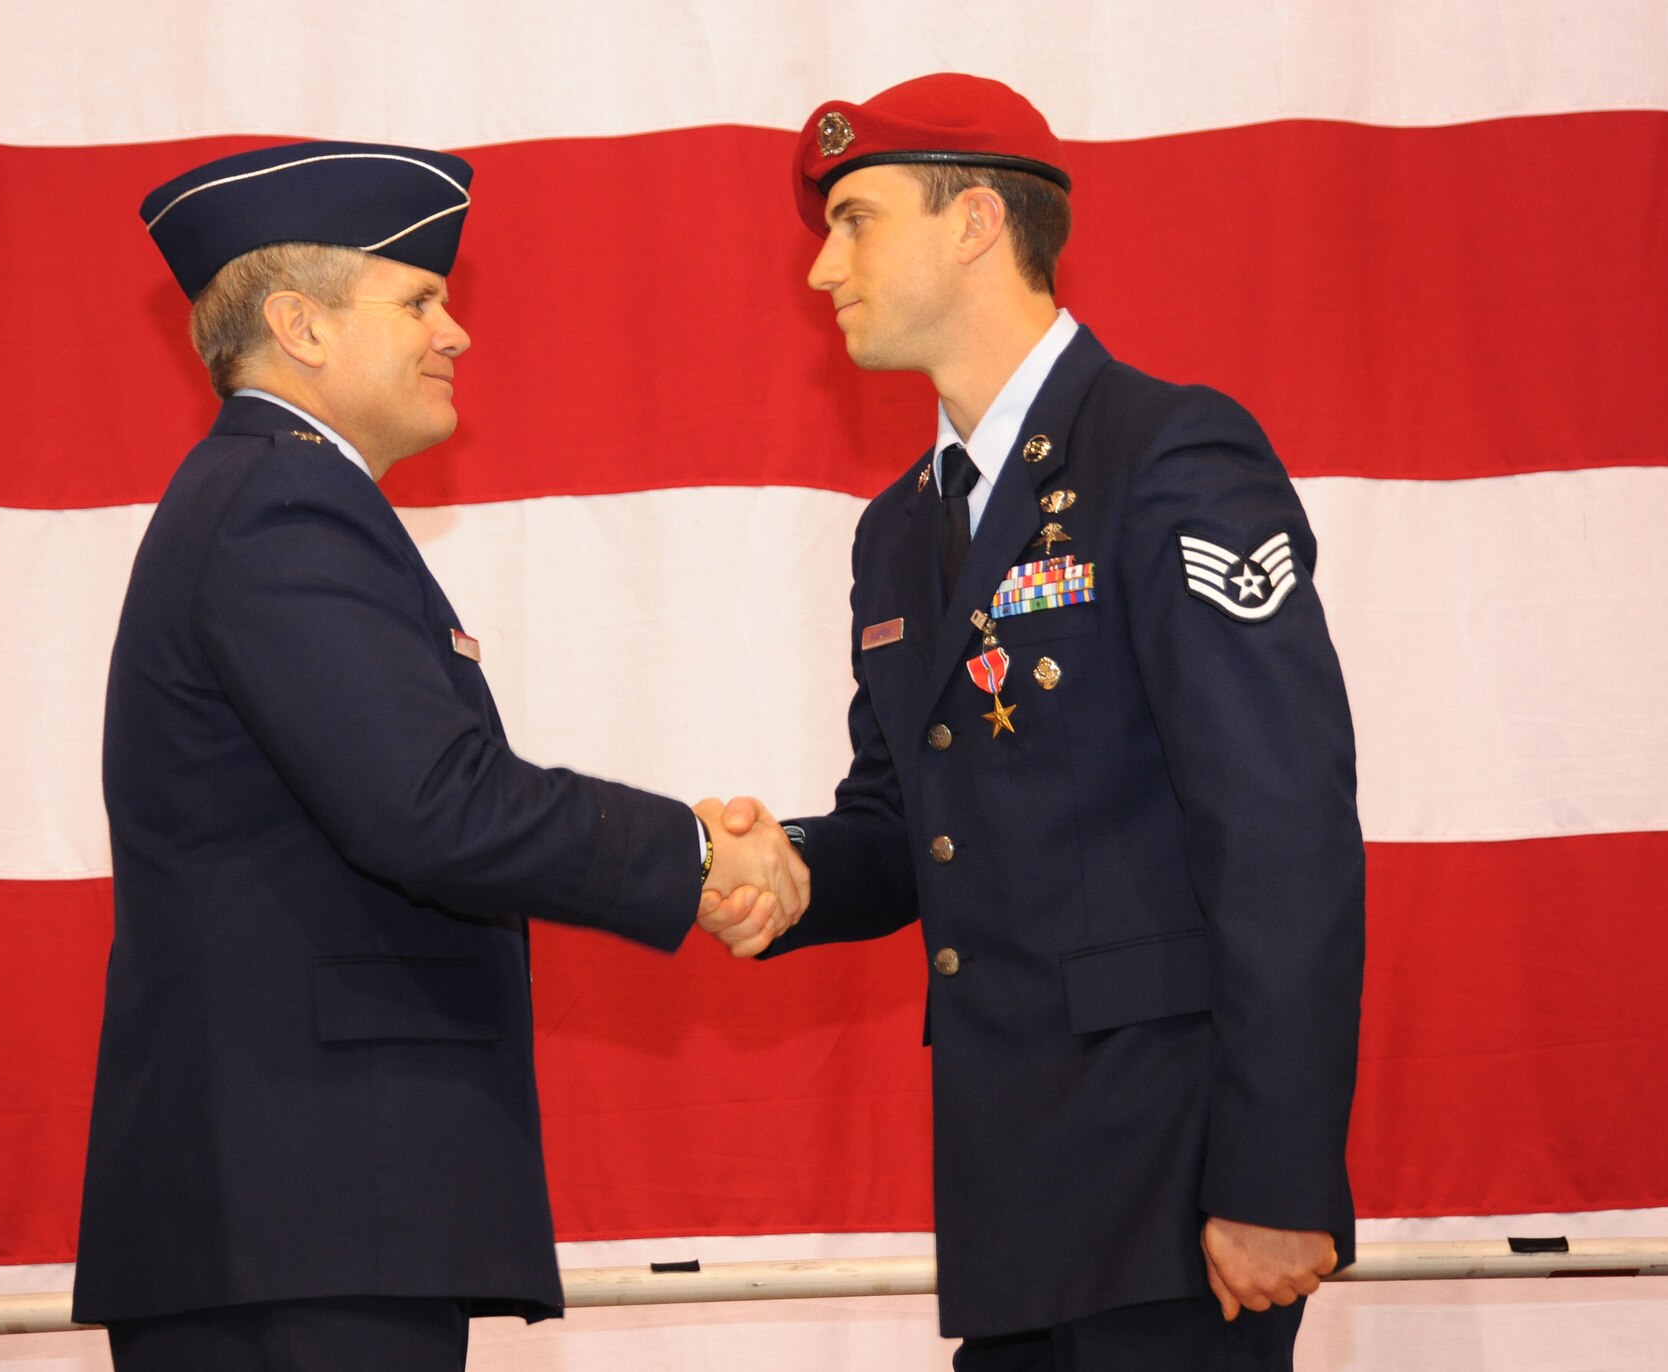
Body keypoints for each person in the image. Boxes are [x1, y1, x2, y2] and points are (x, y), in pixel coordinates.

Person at [70, 140, 806, 1372]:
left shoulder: (278, 497)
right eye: (416, 299)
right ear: (299, 326)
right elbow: (429, 807)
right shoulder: (278, 505)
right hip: (304, 1217)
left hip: (302, 1218)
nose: (454, 331)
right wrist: (693, 849)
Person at [710, 74, 1365, 1369]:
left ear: (973, 225)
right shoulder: (899, 532)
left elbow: (1280, 833)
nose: (822, 269)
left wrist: (1279, 1177)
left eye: (855, 220)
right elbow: (905, 826)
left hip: (1179, 1189)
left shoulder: (1169, 455)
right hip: (1015, 1203)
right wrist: (772, 872)